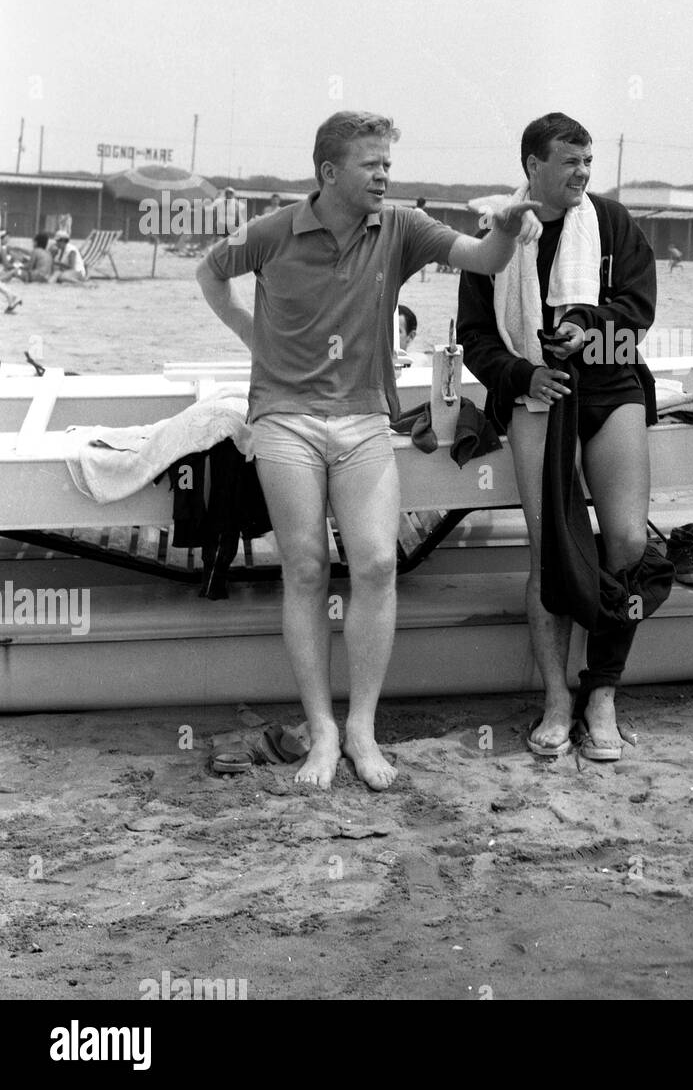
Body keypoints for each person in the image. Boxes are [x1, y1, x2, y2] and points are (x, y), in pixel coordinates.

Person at [196, 110, 542, 791]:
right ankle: (321, 729)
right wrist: (253, 339)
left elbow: (480, 258)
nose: (385, 173)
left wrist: (504, 228)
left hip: (361, 420)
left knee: (378, 564)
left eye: (389, 162)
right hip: (285, 418)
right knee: (304, 567)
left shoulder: (402, 228)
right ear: (329, 172)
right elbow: (210, 273)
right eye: (371, 163)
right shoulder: (272, 231)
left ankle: (361, 727)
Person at [457, 112, 659, 762]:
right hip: (536, 393)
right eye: (570, 162)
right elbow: (477, 340)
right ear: (533, 166)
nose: (583, 173)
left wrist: (589, 329)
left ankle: (602, 690)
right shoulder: (494, 236)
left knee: (626, 539)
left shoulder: (612, 225)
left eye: (588, 162)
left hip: (609, 383)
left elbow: (639, 316)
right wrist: (525, 374)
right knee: (552, 549)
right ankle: (556, 699)